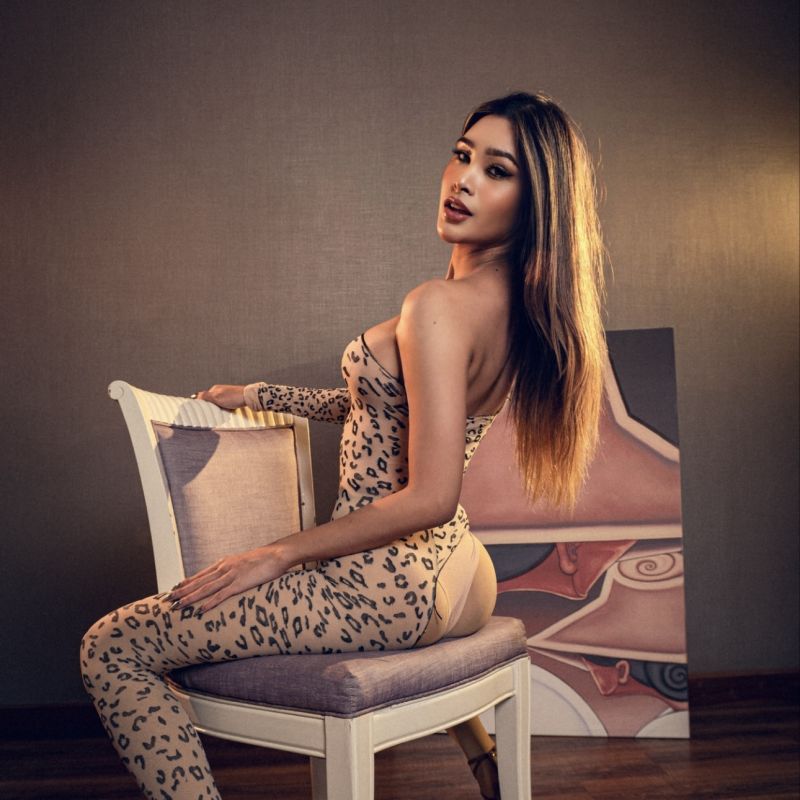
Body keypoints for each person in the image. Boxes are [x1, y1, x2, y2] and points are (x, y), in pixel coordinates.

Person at [80, 90, 608, 800]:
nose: (463, 180)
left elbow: (430, 495)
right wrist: (261, 395)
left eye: (496, 170)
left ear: (536, 201)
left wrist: (278, 553)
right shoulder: (513, 312)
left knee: (111, 647)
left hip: (377, 590)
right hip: (462, 577)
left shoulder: (438, 306)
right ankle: (482, 755)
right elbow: (388, 409)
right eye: (462, 156)